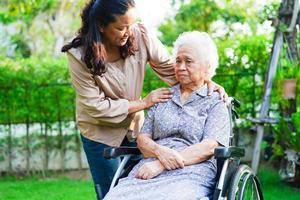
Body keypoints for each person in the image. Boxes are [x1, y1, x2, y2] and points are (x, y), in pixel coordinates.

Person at [61, 0, 227, 199]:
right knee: (111, 191)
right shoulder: (79, 55)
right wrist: (145, 103)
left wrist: (206, 82)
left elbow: (173, 68)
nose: (129, 32)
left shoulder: (139, 35)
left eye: (131, 24)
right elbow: (96, 107)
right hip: (99, 130)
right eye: (122, 27)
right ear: (101, 26)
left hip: (134, 127)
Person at [103, 31, 230, 200]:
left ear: (207, 67)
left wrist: (161, 164)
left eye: (188, 61)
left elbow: (208, 147)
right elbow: (143, 139)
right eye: (178, 61)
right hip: (147, 171)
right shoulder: (163, 97)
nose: (181, 67)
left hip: (191, 172)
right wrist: (159, 152)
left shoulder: (215, 101)